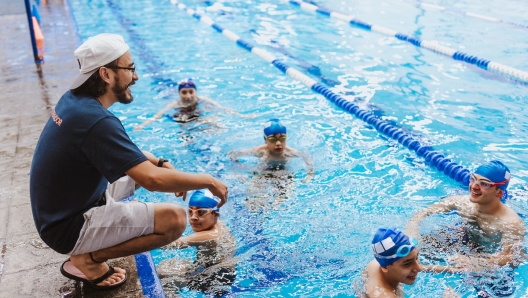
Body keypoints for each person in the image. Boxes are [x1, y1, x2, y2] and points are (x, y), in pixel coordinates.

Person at [29, 33, 228, 290]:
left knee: (140, 169)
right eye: (130, 68)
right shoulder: (96, 121)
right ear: (106, 74)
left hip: (59, 209)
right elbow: (153, 181)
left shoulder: (76, 102)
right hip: (67, 226)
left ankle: (88, 249)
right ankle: (88, 258)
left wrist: (161, 162)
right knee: (175, 219)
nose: (136, 76)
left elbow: (132, 157)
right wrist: (208, 180)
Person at [406, 161, 525, 273]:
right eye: (473, 179)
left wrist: (475, 261)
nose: (474, 186)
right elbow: (423, 213)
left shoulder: (511, 223)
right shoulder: (462, 203)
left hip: (488, 255)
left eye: (484, 184)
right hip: (464, 240)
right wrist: (412, 229)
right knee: (414, 249)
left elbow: (510, 259)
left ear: (499, 193)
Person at [158, 189, 236, 296]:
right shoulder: (219, 225)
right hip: (215, 269)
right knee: (166, 265)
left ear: (215, 214)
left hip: (217, 279)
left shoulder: (210, 236)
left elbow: (170, 244)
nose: (193, 218)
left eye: (200, 212)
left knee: (162, 277)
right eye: (190, 212)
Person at [134, 78, 252, 129]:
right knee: (185, 129)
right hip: (182, 117)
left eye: (191, 92)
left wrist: (242, 116)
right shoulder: (175, 103)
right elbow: (158, 115)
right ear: (179, 93)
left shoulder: (202, 99)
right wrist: (143, 125)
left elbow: (222, 108)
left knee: (215, 123)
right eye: (184, 92)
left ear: (195, 91)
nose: (188, 96)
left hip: (196, 115)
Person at [361, 228, 422, 298]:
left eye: (416, 257)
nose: (419, 268)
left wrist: (433, 268)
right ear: (385, 267)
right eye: (407, 264)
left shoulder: (376, 263)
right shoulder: (382, 294)